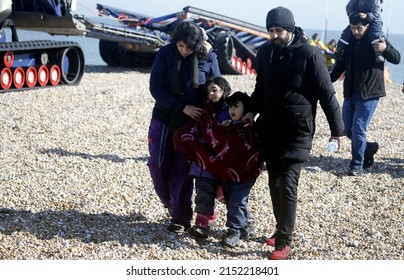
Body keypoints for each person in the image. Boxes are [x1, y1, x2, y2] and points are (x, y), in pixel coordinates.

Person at [245, 6, 345, 260]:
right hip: (269, 128)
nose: (274, 35)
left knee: (288, 184)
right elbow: (260, 89)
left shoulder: (310, 55)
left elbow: (327, 95)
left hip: (297, 131)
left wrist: (337, 132)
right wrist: (249, 112)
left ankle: (284, 242)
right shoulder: (265, 53)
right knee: (274, 183)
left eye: (279, 30)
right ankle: (281, 229)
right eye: (270, 31)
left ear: (290, 29)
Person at [147, 21, 221, 233]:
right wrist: (181, 107)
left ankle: (180, 217)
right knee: (157, 164)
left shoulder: (208, 55)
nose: (185, 50)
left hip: (193, 122)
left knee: (182, 168)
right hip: (164, 115)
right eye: (181, 46)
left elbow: (218, 87)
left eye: (189, 47)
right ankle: (170, 202)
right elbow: (156, 88)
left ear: (198, 44)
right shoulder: (165, 53)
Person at [174, 83, 262, 247]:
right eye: (208, 92)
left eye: (215, 90)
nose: (232, 110)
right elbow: (209, 135)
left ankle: (234, 230)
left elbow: (252, 148)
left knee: (236, 200)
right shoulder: (208, 114)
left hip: (241, 171)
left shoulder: (248, 127)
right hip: (216, 166)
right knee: (217, 195)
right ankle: (218, 225)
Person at [330, 13, 401, 176]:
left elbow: (397, 58)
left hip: (370, 93)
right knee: (347, 129)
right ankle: (368, 148)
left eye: (359, 28)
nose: (356, 31)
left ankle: (357, 165)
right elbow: (340, 67)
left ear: (368, 25)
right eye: (353, 28)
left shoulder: (376, 39)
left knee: (359, 128)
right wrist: (325, 82)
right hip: (350, 92)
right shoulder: (348, 42)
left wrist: (385, 49)